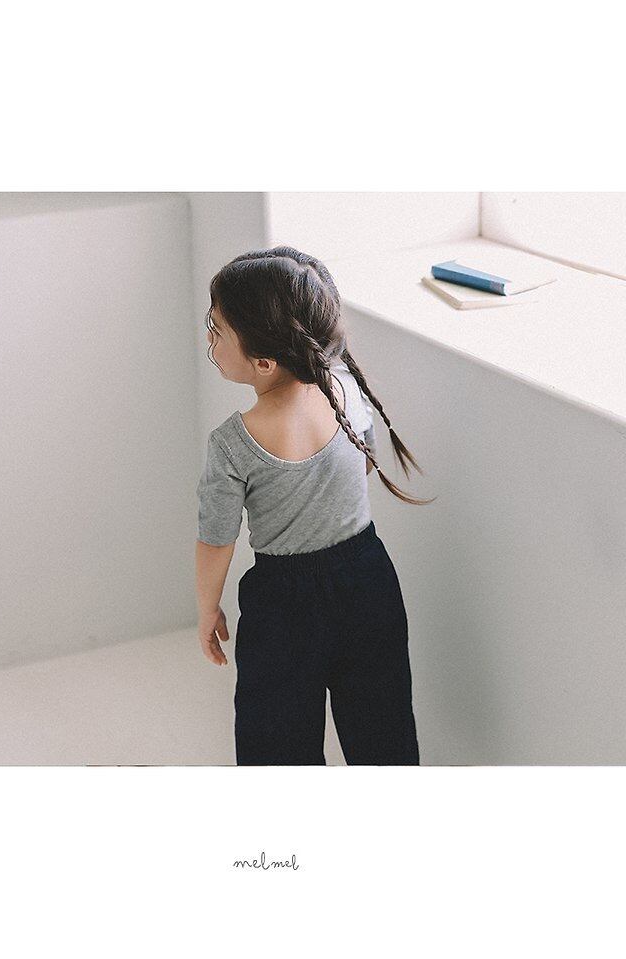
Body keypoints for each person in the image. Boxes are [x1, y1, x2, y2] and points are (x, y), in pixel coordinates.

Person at [194, 246, 436, 766]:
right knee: (384, 736)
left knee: (276, 749)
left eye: (216, 330)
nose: (209, 340)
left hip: (282, 607)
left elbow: (216, 539)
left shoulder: (232, 444)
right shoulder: (345, 390)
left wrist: (207, 608)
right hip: (369, 582)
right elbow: (362, 464)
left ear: (264, 363)